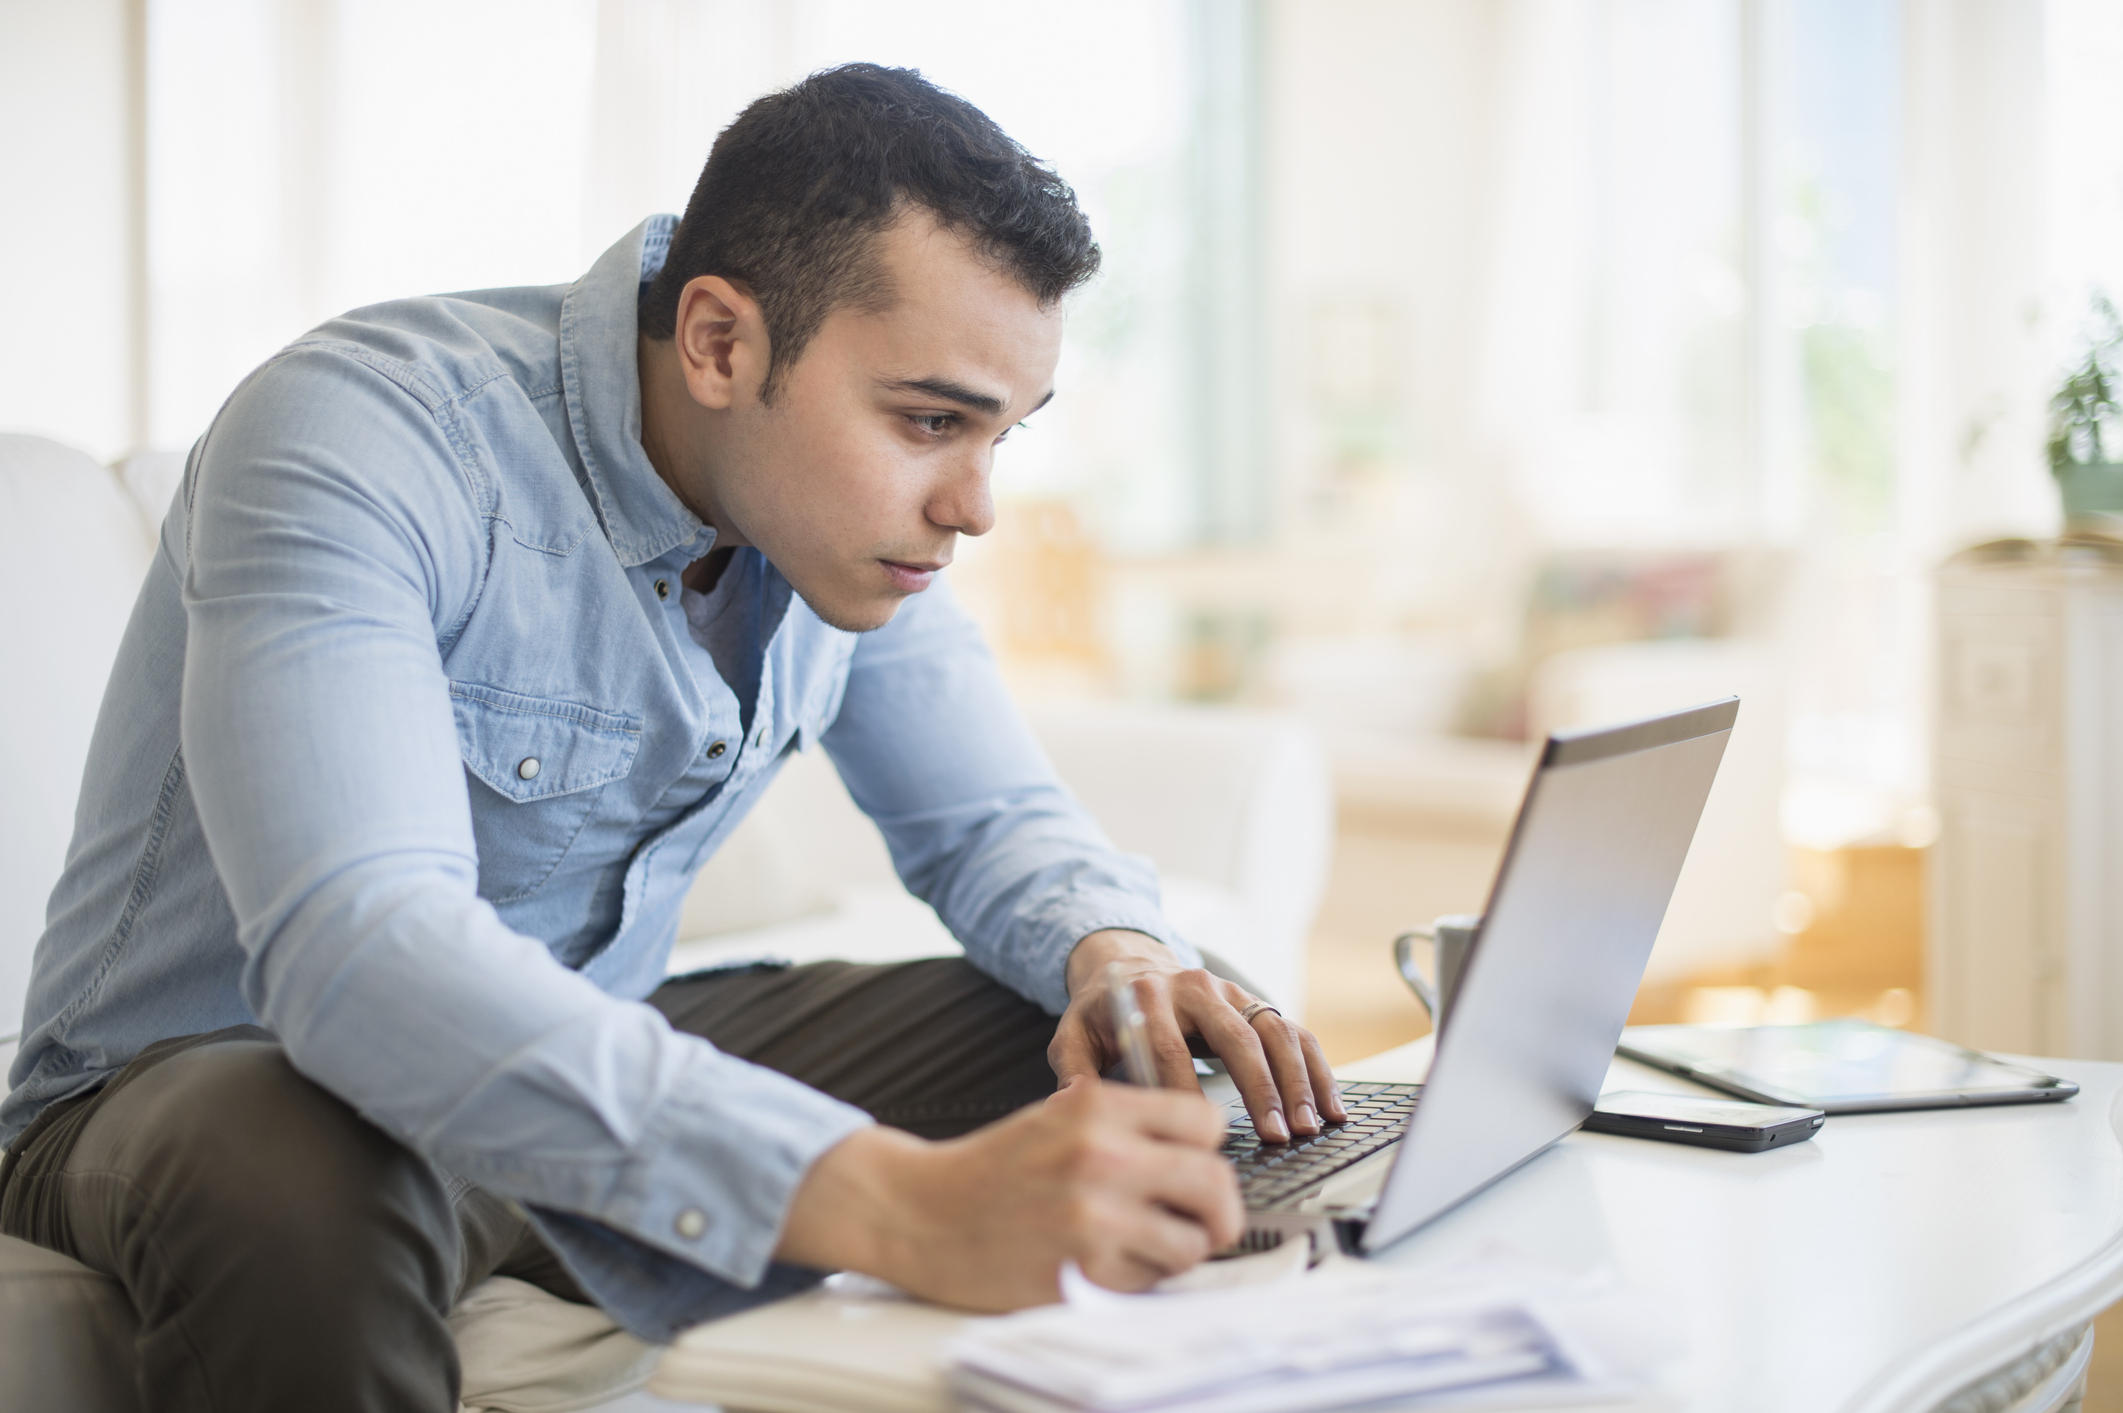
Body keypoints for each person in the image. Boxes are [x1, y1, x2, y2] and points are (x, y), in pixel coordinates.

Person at [0, 61, 1344, 1413]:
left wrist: (1112, 948)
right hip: (210, 1093)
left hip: (584, 1052)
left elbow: (991, 824)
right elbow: (359, 954)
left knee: (1133, 1031)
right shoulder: (365, 435)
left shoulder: (840, 524)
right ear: (719, 342)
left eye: (1003, 433)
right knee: (284, 1151)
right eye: (932, 420)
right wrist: (893, 1202)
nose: (977, 504)